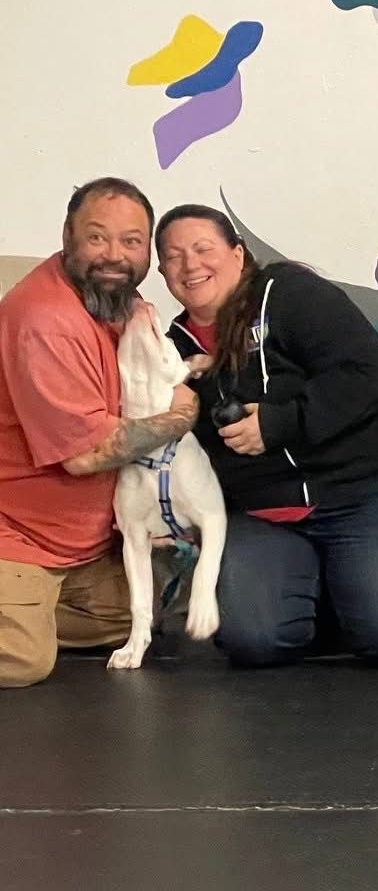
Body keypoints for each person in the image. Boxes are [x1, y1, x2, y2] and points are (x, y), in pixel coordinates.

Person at [158, 204, 378, 666]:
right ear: (162, 273)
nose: (190, 264)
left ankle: (344, 588)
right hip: (261, 513)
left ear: (237, 254)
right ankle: (320, 589)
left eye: (203, 248)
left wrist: (278, 424)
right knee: (252, 641)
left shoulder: (289, 292)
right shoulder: (168, 351)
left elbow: (369, 372)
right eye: (173, 257)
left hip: (365, 491)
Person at [0, 177, 199, 688]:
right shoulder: (46, 320)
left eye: (131, 241)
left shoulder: (115, 301)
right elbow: (86, 454)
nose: (114, 255)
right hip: (17, 537)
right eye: (96, 237)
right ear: (67, 237)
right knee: (26, 660)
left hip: (81, 548)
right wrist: (181, 416)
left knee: (153, 609)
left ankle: (30, 609)